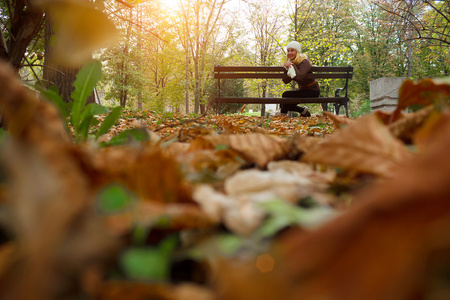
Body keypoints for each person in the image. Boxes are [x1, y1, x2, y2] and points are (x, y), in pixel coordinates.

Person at [280, 41, 320, 117]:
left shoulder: (305, 62)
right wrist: (286, 69)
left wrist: (291, 66)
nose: (289, 53)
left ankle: (283, 116)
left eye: (292, 50)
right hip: (303, 90)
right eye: (288, 51)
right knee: (285, 99)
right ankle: (303, 111)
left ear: (297, 52)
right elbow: (285, 81)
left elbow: (299, 76)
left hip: (313, 91)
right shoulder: (292, 63)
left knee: (285, 96)